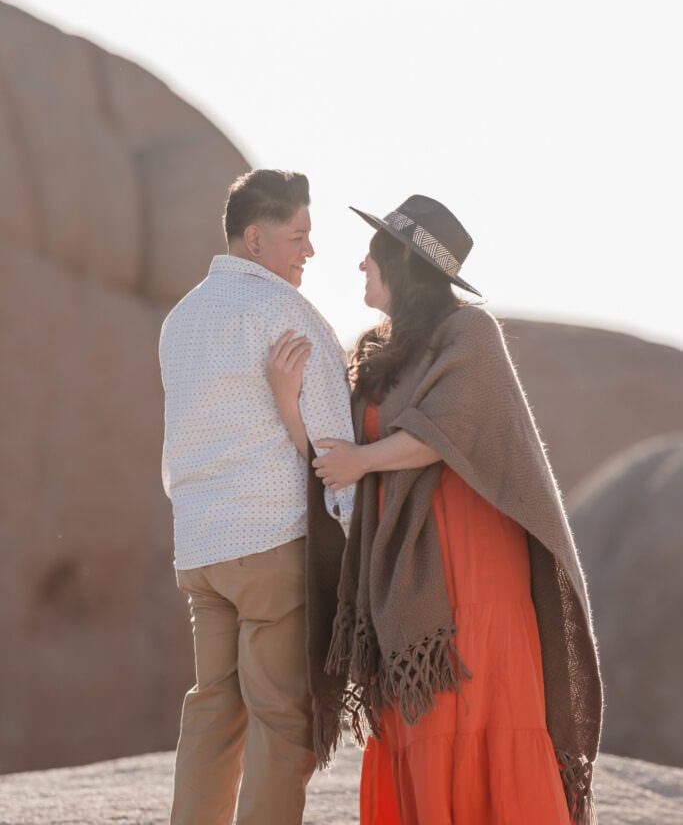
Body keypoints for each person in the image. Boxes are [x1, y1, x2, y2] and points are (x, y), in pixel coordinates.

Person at [268, 194, 603, 825]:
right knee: (421, 725)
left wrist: (363, 462)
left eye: (373, 251)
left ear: (402, 262)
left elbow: (443, 430)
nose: (360, 262)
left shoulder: (470, 332)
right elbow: (333, 455)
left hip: (476, 570)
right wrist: (290, 400)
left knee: (483, 714)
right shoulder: (374, 348)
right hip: (403, 579)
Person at [158, 169, 355, 825]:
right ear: (253, 238)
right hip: (271, 544)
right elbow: (334, 451)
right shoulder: (285, 314)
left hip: (201, 548)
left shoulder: (181, 318)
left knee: (211, 706)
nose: (309, 251)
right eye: (296, 236)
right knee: (279, 718)